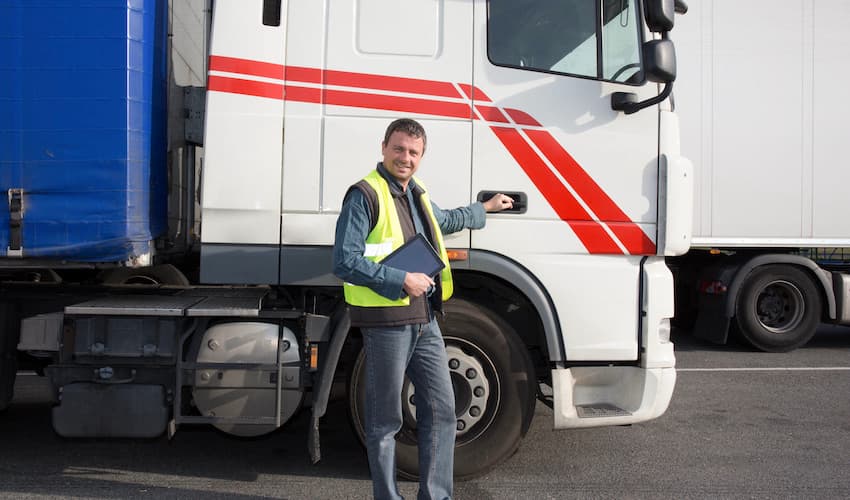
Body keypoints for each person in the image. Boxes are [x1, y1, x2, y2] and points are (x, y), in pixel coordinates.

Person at [332, 118, 514, 500]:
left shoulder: (417, 193)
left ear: (421, 156)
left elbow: (445, 220)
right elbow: (345, 261)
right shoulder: (364, 195)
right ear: (384, 147)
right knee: (385, 422)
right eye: (399, 149)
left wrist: (484, 208)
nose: (406, 157)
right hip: (387, 322)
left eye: (413, 152)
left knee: (443, 410)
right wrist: (401, 279)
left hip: (424, 318)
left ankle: (435, 496)